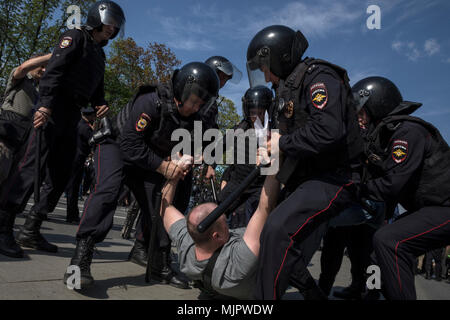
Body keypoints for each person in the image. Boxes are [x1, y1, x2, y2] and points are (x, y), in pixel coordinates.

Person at [63, 62, 220, 290]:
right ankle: (80, 259)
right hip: (117, 146)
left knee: (161, 202)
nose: (196, 108)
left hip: (148, 159)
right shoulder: (152, 102)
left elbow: (195, 145)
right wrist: (163, 166)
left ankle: (156, 260)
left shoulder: (195, 120)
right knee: (108, 190)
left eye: (201, 104)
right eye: (193, 101)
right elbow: (130, 144)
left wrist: (185, 159)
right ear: (181, 91)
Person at [0, 1, 126, 259]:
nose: (112, 30)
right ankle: (3, 227)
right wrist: (44, 105)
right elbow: (53, 72)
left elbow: (97, 87)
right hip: (53, 110)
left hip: (72, 116)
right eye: (109, 24)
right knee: (28, 168)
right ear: (97, 19)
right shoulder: (74, 37)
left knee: (62, 175)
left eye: (115, 27)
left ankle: (32, 228)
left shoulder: (99, 55)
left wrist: (101, 103)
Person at [246, 25, 364, 300]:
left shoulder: (319, 77)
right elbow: (287, 140)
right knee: (267, 227)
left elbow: (328, 130)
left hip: (335, 178)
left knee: (277, 230)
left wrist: (282, 144)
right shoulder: (286, 90)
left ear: (279, 57)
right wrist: (269, 153)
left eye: (265, 66)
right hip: (306, 178)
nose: (264, 74)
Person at [352, 76, 450, 300]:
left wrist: (354, 189)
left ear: (377, 105)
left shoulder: (407, 132)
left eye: (361, 113)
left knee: (390, 240)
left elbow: (391, 184)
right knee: (376, 251)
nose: (358, 120)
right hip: (429, 209)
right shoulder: (384, 138)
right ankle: (371, 294)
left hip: (445, 207)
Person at [159, 153, 280, 299]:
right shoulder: (238, 259)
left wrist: (175, 173)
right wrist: (274, 162)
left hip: (215, 288)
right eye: (224, 223)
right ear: (216, 236)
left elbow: (165, 207)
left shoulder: (187, 241)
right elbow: (265, 207)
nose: (228, 224)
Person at [217, 86, 273, 227]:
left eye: (261, 112)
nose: (257, 117)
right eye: (253, 113)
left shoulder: (275, 133)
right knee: (215, 215)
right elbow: (218, 148)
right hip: (236, 184)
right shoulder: (240, 129)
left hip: (259, 188)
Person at [0, 53, 52, 185]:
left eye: (47, 67)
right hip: (5, 140)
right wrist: (55, 54)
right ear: (32, 63)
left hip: (21, 145)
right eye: (41, 66)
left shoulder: (41, 89)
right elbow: (23, 68)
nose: (44, 70)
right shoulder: (21, 77)